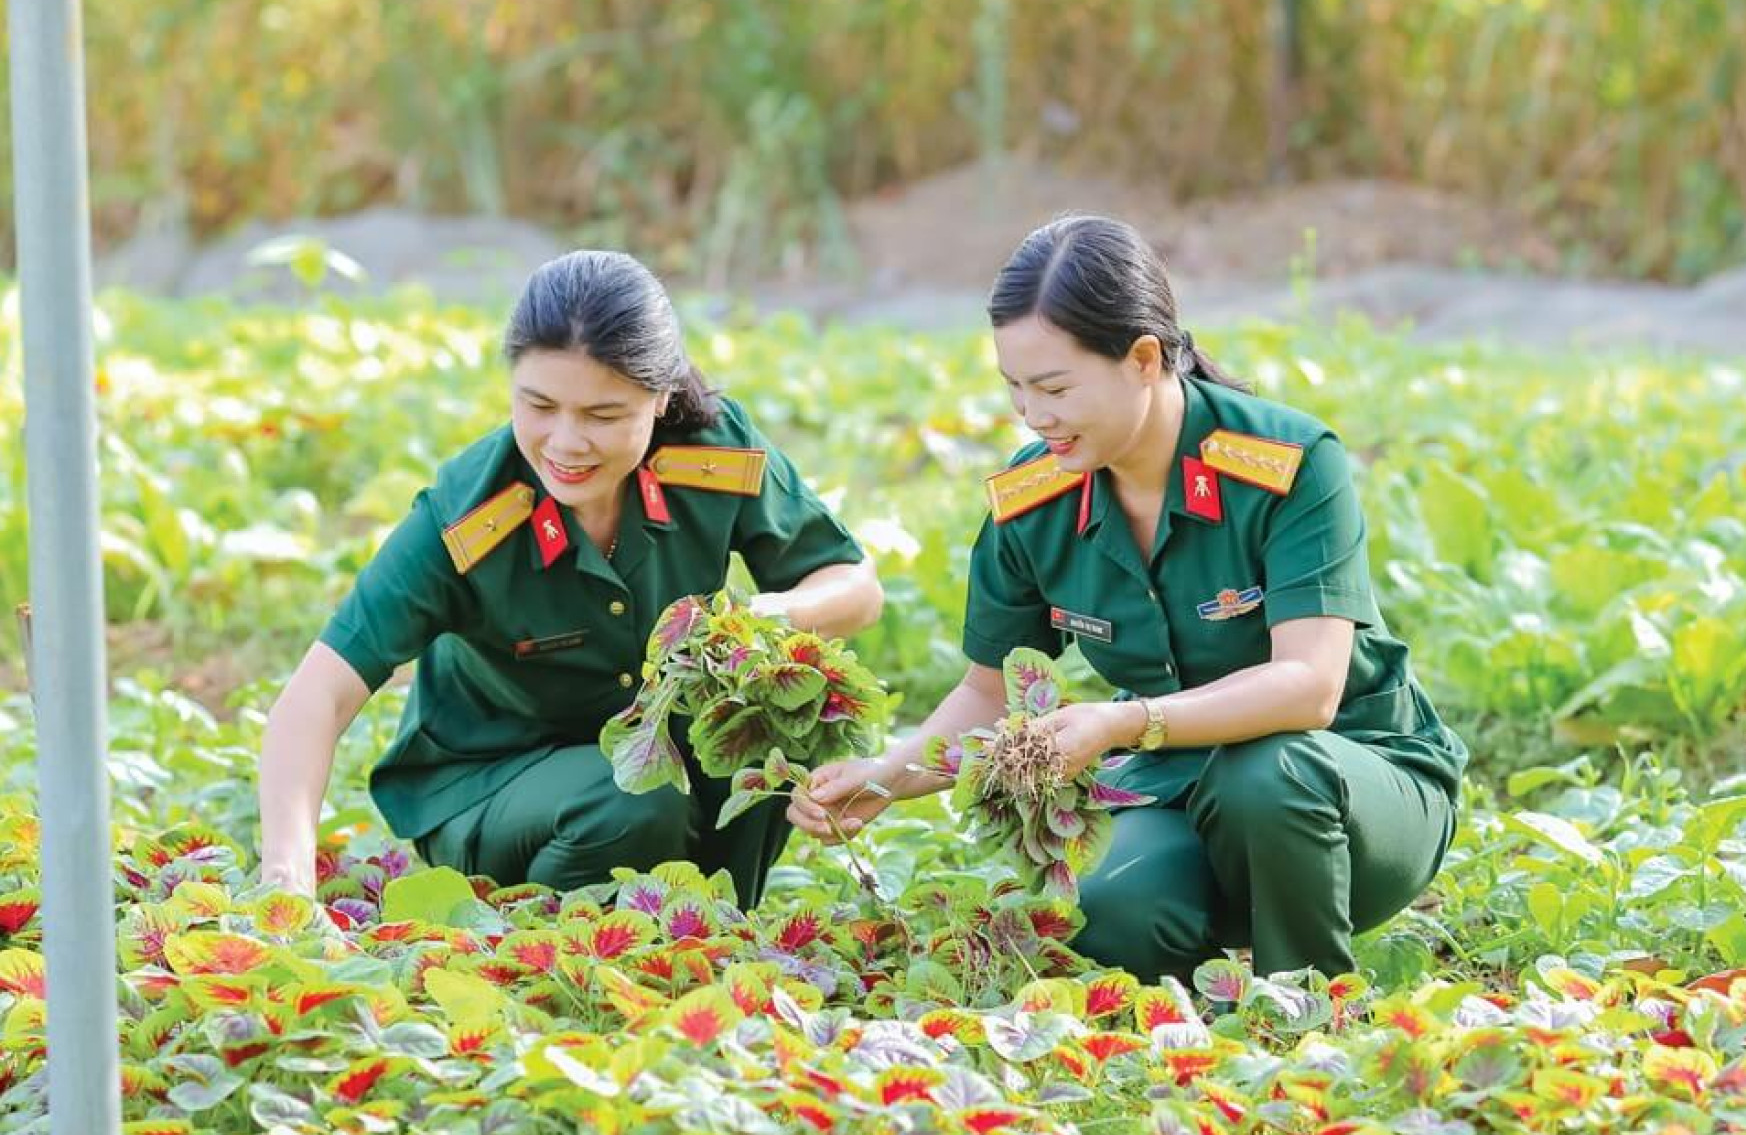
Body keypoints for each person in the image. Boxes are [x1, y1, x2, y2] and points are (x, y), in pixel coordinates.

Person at [791, 215, 1465, 980]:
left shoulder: (1287, 465)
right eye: (1014, 388)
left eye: (1054, 387)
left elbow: (1309, 688)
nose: (1032, 415)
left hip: (1356, 791)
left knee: (1269, 773)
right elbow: (988, 691)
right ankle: (1192, 1018)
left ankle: (1307, 1012)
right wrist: (883, 777)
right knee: (1099, 905)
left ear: (1144, 358)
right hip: (1179, 790)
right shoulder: (1034, 501)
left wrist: (1123, 722)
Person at [259, 250, 882, 901]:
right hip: (495, 784)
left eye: (603, 416)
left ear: (662, 396)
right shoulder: (468, 520)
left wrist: (758, 622)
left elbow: (854, 586)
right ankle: (541, 943)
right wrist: (287, 882)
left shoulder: (715, 453)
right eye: (540, 406)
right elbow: (314, 698)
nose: (565, 443)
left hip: (652, 761)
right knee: (633, 802)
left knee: (772, 720)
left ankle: (720, 923)